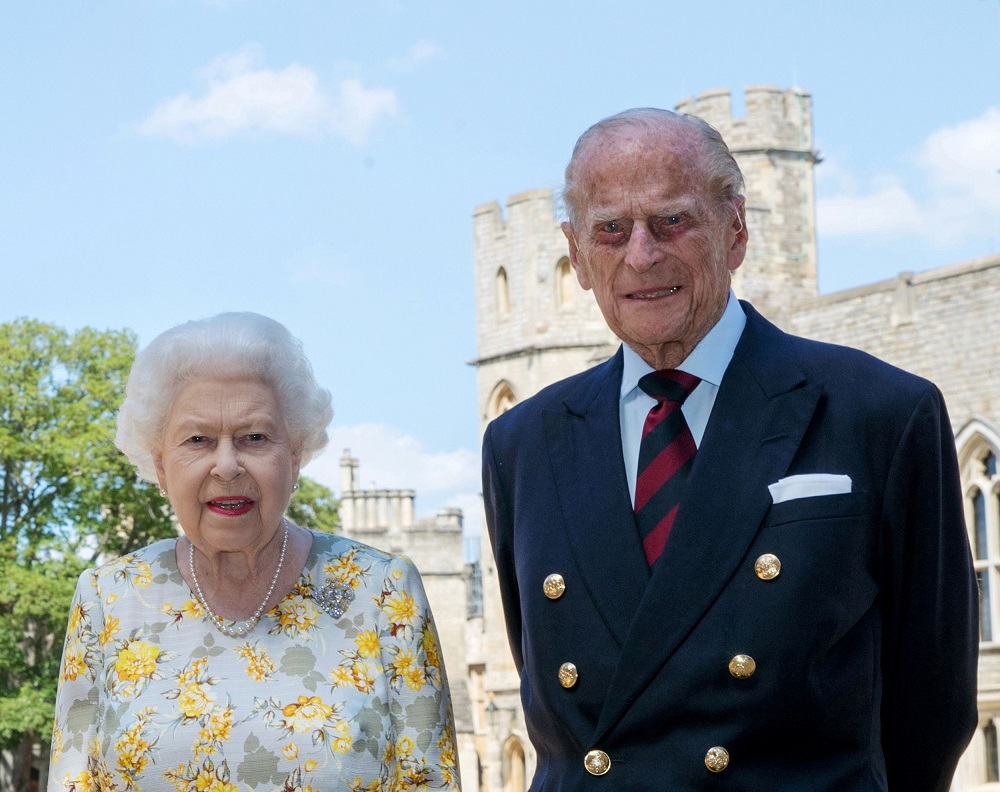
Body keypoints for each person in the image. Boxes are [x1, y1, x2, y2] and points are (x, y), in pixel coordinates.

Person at [481, 109, 978, 791]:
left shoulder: (881, 414)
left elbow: (932, 709)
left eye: (672, 221)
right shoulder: (522, 443)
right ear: (577, 256)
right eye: (611, 230)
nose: (641, 255)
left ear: (736, 231)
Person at [49, 312, 460, 792]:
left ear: (295, 456)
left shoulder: (384, 592)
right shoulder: (106, 600)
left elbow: (429, 782)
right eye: (198, 439)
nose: (226, 464)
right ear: (161, 465)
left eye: (255, 438)